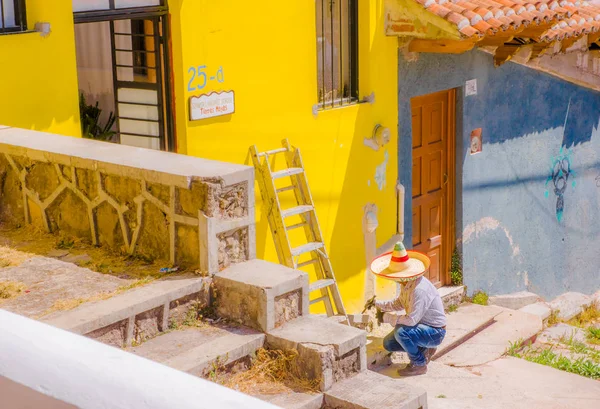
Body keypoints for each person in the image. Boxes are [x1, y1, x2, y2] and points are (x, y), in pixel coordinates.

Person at [369, 241, 447, 376]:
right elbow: (399, 303)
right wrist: (378, 304)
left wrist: (388, 317)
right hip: (421, 327)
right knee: (388, 344)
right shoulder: (406, 285)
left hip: (435, 332)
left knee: (401, 332)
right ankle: (423, 350)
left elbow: (411, 321)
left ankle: (419, 364)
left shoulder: (419, 290)